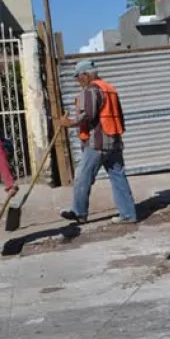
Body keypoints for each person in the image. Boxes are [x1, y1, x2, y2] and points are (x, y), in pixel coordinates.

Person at [59, 59, 136, 224]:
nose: (78, 82)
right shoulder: (110, 89)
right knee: (118, 177)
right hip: (114, 140)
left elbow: (88, 115)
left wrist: (69, 123)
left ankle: (79, 212)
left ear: (86, 75)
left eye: (78, 78)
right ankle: (129, 214)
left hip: (98, 142)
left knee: (82, 176)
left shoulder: (91, 90)